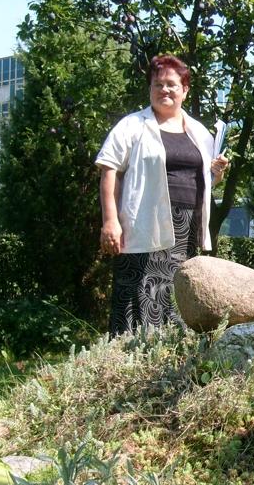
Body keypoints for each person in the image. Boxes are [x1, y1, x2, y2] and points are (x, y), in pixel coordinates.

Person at [96, 54, 229, 335]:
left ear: (185, 89)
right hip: (144, 224)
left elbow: (205, 182)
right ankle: (130, 361)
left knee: (177, 294)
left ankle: (173, 360)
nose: (164, 90)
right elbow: (109, 170)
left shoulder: (200, 133)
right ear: (150, 89)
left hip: (187, 227)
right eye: (158, 84)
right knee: (139, 292)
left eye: (171, 84)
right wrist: (110, 220)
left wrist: (216, 174)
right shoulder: (132, 125)